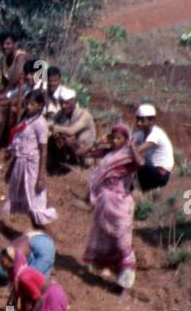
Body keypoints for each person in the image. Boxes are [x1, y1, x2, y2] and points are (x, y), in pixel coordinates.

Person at [84, 124, 145, 296]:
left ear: (126, 140)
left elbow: (141, 163)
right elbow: (83, 153)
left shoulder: (128, 157)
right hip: (104, 204)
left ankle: (125, 286)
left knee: (122, 243)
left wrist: (132, 147)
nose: (116, 141)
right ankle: (115, 275)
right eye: (114, 138)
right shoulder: (107, 153)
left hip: (120, 204)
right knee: (106, 240)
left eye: (120, 138)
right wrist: (98, 142)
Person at [4, 90, 56, 230]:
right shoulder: (26, 121)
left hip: (32, 166)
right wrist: (11, 168)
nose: (28, 107)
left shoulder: (40, 124)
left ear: (40, 106)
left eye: (32, 104)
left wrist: (41, 176)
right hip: (21, 164)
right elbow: (19, 147)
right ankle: (38, 235)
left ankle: (45, 238)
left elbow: (43, 150)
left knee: (36, 204)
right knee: (29, 204)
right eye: (27, 104)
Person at [0, 230, 56, 309]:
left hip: (41, 248)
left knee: (32, 288)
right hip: (37, 238)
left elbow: (18, 285)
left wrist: (9, 309)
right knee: (39, 284)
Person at [47, 88, 96, 170]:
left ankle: (78, 165)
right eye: (62, 103)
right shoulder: (61, 114)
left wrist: (54, 127)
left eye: (67, 103)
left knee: (68, 139)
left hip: (85, 152)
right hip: (70, 150)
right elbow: (51, 124)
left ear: (74, 101)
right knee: (54, 138)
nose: (63, 106)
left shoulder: (84, 114)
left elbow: (71, 131)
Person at [133, 103, 174, 192]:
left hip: (160, 173)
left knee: (138, 158)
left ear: (151, 120)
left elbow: (137, 150)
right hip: (150, 170)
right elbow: (128, 141)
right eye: (138, 120)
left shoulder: (156, 134)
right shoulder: (140, 133)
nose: (138, 123)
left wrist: (129, 146)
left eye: (142, 120)